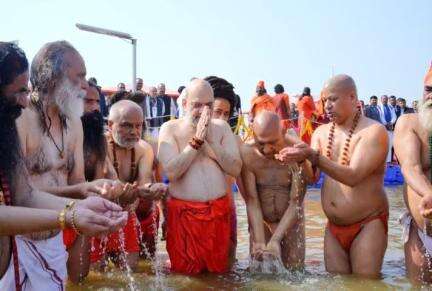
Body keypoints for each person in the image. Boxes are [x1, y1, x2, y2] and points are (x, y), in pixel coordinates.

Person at [0, 41, 128, 290]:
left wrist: (82, 205)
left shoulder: (69, 123)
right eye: (17, 92)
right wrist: (68, 214)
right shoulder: (20, 119)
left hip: (46, 246)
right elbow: (10, 204)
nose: (24, 102)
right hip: (21, 247)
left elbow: (24, 194)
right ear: (52, 78)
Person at [277, 74, 389, 278]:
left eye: (333, 99)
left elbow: (353, 176)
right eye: (324, 100)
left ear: (353, 97)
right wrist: (299, 157)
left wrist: (312, 155)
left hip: (368, 223)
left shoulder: (374, 131)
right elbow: (313, 177)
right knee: (336, 283)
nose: (327, 105)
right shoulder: (321, 133)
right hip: (333, 228)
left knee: (365, 284)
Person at [158, 79, 242, 274]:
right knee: (186, 279)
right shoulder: (170, 129)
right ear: (185, 104)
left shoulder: (221, 128)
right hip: (184, 217)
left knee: (219, 276)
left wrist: (210, 140)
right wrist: (196, 142)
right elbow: (171, 172)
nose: (204, 111)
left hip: (219, 213)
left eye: (209, 106)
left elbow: (235, 168)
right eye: (197, 105)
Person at [240, 111, 309, 269]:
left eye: (273, 142)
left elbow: (296, 201)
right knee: (259, 272)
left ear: (283, 132)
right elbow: (252, 200)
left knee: (295, 273)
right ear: (253, 134)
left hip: (292, 221)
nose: (266, 149)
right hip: (262, 222)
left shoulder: (296, 150)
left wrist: (276, 239)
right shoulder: (247, 152)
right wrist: (259, 240)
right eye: (261, 143)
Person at [394, 63, 432, 284]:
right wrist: (428, 192)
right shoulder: (409, 123)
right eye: (429, 90)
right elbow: (411, 167)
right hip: (421, 233)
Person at [205, 75, 240, 266]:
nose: (222, 119)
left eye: (226, 114)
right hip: (194, 214)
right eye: (217, 112)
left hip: (228, 212)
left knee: (227, 272)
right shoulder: (185, 138)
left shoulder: (236, 142)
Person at [378, 95, 397, 163]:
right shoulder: (379, 107)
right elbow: (380, 116)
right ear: (381, 99)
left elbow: (394, 116)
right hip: (383, 127)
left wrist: (391, 123)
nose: (385, 100)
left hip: (390, 128)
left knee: (390, 144)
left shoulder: (390, 107)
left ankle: (388, 160)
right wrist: (385, 123)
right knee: (382, 144)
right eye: (383, 99)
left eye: (386, 99)